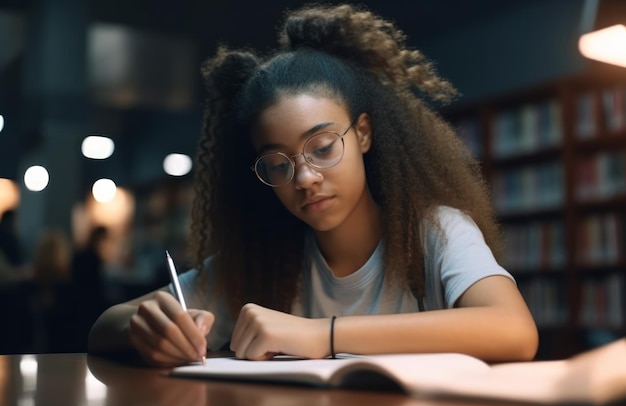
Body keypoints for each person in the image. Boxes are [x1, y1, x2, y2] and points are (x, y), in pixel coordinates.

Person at [89, 3, 538, 366]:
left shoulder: (435, 231)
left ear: (363, 133)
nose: (304, 178)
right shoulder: (262, 261)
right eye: (278, 164)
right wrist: (146, 329)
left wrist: (320, 335)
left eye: (322, 147)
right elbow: (106, 324)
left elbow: (514, 330)